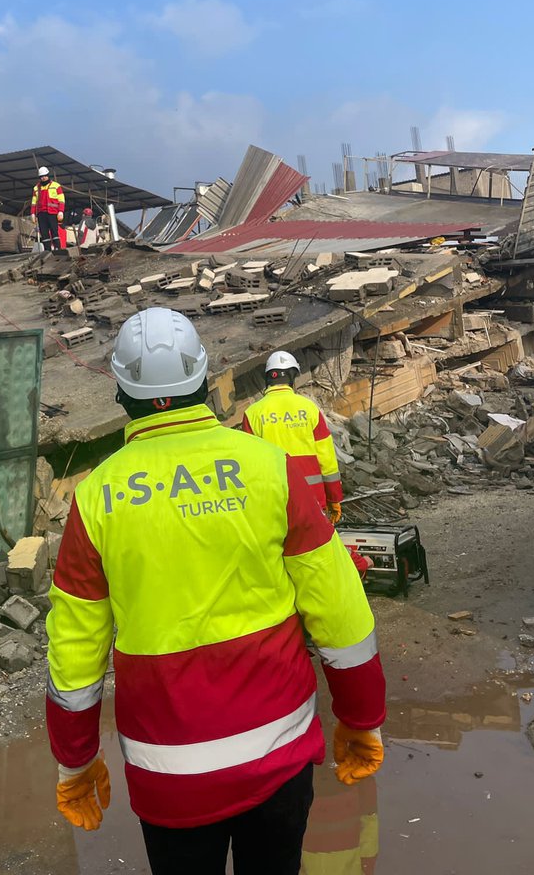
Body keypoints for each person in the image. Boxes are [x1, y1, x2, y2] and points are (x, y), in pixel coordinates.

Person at [45, 308, 385, 875]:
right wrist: (362, 717)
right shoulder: (270, 470)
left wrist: (74, 762)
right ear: (203, 380)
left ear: (122, 394)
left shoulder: (96, 498)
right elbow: (340, 610)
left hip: (169, 775)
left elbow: (75, 652)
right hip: (279, 757)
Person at [242, 351, 344, 524]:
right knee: (315, 547)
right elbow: (327, 460)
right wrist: (334, 498)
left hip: (275, 500)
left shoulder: (253, 413)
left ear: (268, 378)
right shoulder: (309, 408)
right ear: (292, 377)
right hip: (312, 498)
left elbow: (249, 464)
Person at [31, 166, 65, 251]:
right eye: (42, 176)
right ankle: (47, 250)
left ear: (48, 175)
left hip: (52, 213)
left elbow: (61, 200)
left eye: (45, 175)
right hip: (41, 213)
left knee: (54, 232)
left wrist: (61, 211)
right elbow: (33, 203)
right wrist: (32, 213)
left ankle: (57, 249)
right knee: (44, 233)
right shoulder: (36, 188)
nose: (43, 177)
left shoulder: (56, 186)